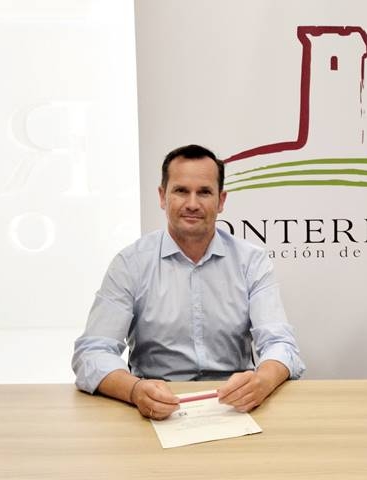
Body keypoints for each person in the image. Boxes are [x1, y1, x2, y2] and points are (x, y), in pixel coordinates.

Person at [72, 144, 305, 419]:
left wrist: (261, 381)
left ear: (221, 201)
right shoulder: (130, 263)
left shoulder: (251, 261)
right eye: (181, 191)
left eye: (204, 192)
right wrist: (134, 390)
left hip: (234, 406)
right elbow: (92, 352)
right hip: (155, 407)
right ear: (162, 197)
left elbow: (280, 343)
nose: (192, 204)